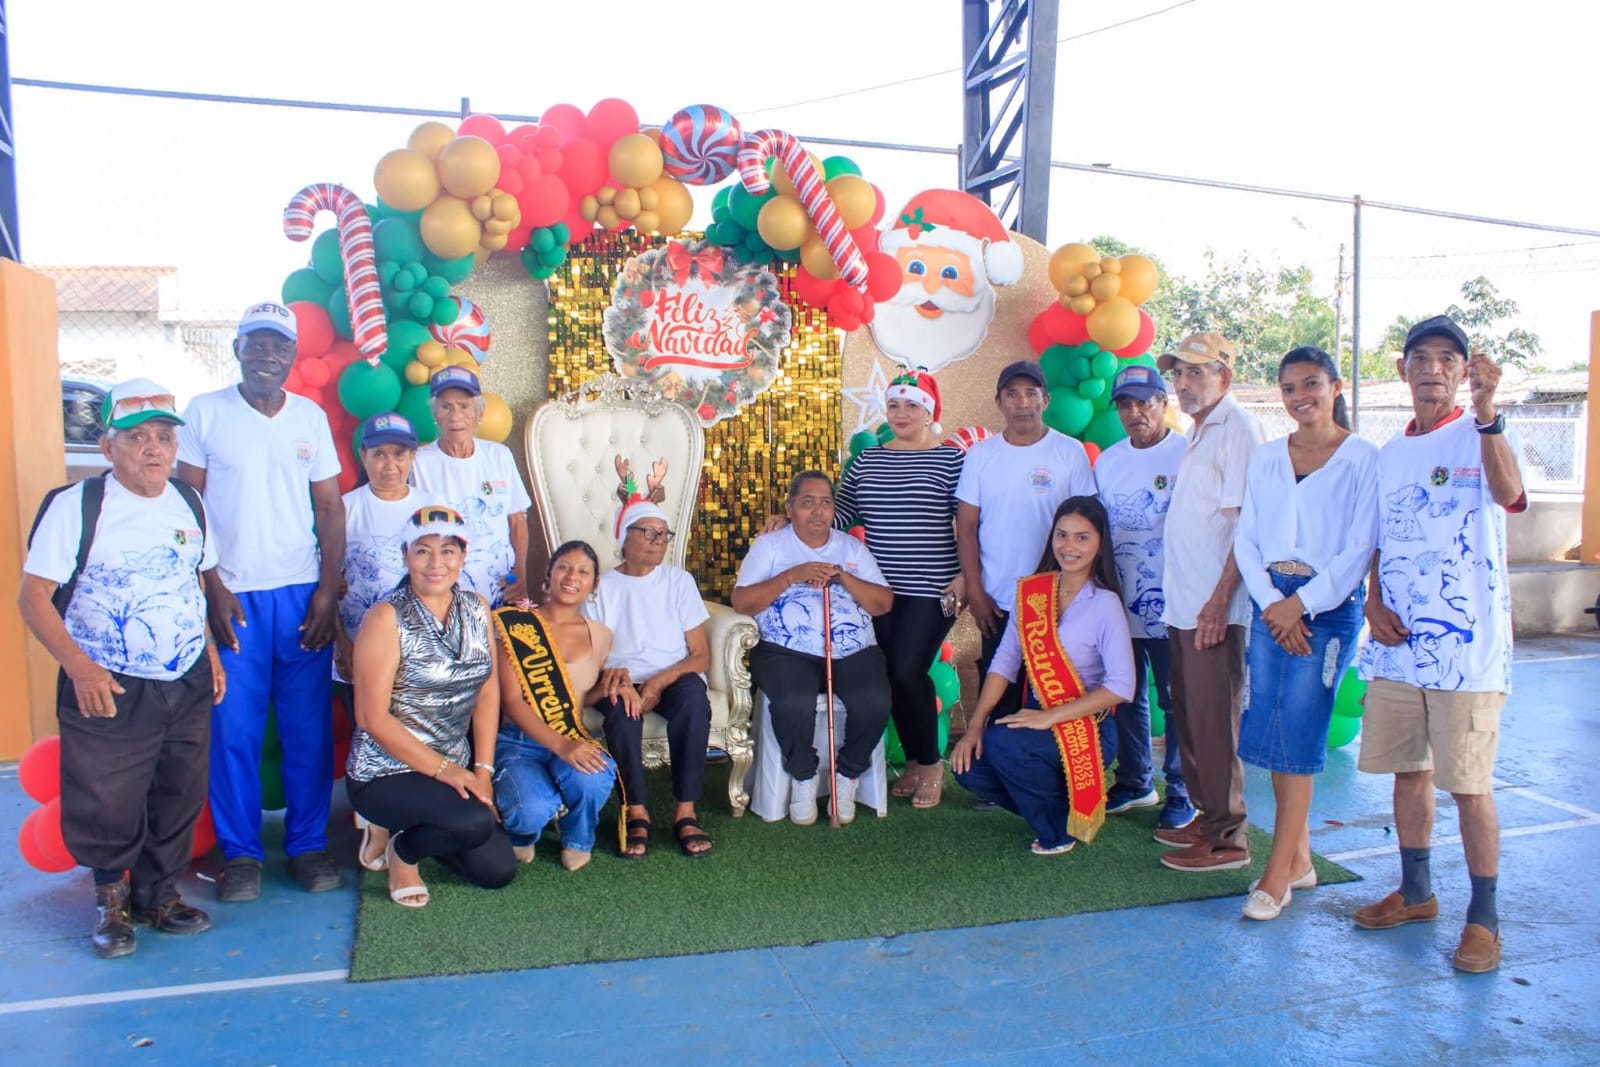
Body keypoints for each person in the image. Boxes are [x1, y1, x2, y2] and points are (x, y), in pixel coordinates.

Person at [19, 379, 226, 957]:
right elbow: (33, 597)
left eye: (163, 436)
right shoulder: (78, 506)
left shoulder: (189, 501)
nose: (153, 448)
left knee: (179, 790)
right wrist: (79, 668)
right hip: (108, 680)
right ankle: (111, 901)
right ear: (108, 446)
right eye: (136, 437)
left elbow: (193, 582)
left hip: (184, 677)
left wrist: (209, 648)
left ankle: (159, 895)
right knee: (107, 797)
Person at [1353, 315, 1525, 974]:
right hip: (1399, 647)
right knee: (1409, 772)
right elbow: (1381, 536)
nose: (1432, 369)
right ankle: (1416, 891)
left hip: (1467, 652)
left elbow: (1510, 494)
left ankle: (1484, 918)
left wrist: (1487, 414)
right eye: (1420, 357)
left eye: (1447, 359)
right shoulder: (1389, 453)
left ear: (1464, 369)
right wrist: (1372, 600)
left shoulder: (1483, 431)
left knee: (1470, 787)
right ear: (1402, 369)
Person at [177, 302, 346, 902]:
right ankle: (242, 854)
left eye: (278, 345)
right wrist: (212, 588)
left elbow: (329, 507)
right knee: (234, 732)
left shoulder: (308, 417)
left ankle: (307, 845)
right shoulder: (205, 413)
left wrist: (326, 591)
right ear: (238, 350)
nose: (267, 355)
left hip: (300, 594)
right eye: (256, 343)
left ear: (293, 354)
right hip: (233, 596)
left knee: (307, 731)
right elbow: (188, 509)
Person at [1233, 347, 1378, 920]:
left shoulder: (1363, 459)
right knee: (1275, 732)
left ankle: (1277, 874)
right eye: (1289, 387)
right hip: (1271, 602)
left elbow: (1359, 548)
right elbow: (1246, 539)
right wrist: (1275, 605)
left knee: (1299, 731)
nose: (1300, 396)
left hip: (1327, 607)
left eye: (1311, 383)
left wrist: (1302, 605)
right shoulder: (1267, 458)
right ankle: (1300, 859)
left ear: (1335, 387)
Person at [346, 505, 516, 907]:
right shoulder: (385, 617)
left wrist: (483, 771)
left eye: (448, 551)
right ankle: (403, 853)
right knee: (473, 822)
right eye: (423, 551)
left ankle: (414, 831)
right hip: (385, 770)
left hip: (452, 765)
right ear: (406, 556)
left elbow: (487, 691)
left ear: (463, 555)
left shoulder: (477, 607)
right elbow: (370, 717)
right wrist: (448, 771)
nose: (436, 563)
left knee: (497, 871)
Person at [950, 497, 1134, 855]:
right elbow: (1004, 662)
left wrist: (1050, 717)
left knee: (1004, 744)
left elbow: (1121, 686)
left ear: (1100, 544)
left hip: (1088, 725)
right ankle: (1058, 809)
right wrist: (975, 726)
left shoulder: (1104, 603)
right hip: (1037, 716)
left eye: (1082, 537)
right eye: (1062, 535)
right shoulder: (1033, 593)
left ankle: (1055, 830)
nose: (1069, 546)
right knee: (969, 767)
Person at [1154, 331, 1264, 873]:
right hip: (1185, 606)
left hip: (1213, 610)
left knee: (1215, 724)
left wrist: (1219, 603)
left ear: (1225, 377)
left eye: (1196, 371)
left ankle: (1228, 840)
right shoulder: (1199, 431)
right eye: (1178, 373)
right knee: (1192, 718)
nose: (1184, 382)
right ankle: (1207, 817)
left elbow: (1247, 529)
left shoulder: (1237, 430)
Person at [833, 370, 964, 808]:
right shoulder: (867, 462)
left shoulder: (952, 461)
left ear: (929, 413)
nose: (901, 413)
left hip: (934, 589)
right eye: (894, 405)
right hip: (879, 591)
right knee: (891, 674)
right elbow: (839, 515)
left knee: (908, 670)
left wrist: (967, 577)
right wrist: (789, 522)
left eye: (912, 405)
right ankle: (912, 761)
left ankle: (931, 764)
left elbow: (973, 526)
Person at [732, 471, 894, 825]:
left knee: (874, 701)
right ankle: (803, 777)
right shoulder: (770, 546)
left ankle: (847, 774)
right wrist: (792, 575)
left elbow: (883, 603)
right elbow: (742, 601)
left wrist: (844, 577)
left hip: (852, 649)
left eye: (826, 503)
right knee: (792, 702)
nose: (818, 511)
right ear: (790, 508)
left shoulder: (851, 548)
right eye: (807, 503)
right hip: (785, 650)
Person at [956, 360, 1095, 718]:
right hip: (998, 602)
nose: (1022, 402)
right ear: (999, 402)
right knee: (999, 700)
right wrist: (976, 593)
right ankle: (998, 753)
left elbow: (1088, 527)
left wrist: (1079, 594)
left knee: (1057, 699)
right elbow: (966, 528)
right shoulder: (981, 456)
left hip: (1059, 600)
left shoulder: (1069, 452)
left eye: (1031, 394)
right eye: (1012, 394)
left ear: (1045, 400)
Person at [1093, 364, 1195, 832]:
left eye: (1144, 402)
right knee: (1125, 692)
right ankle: (1135, 782)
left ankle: (1182, 790)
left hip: (1175, 604)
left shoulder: (1187, 454)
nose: (1135, 412)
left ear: (1163, 403)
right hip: (1119, 601)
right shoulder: (1108, 462)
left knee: (1177, 699)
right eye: (1125, 405)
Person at [588, 499, 716, 857]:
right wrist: (620, 682)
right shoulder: (601, 586)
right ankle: (636, 810)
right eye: (648, 533)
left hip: (673, 674)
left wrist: (659, 682)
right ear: (624, 538)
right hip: (618, 677)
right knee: (621, 712)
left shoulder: (678, 581)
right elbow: (591, 656)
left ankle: (685, 811)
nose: (658, 541)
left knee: (694, 702)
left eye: (663, 534)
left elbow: (700, 655)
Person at [491, 541, 618, 871]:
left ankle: (578, 835)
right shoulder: (517, 626)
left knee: (594, 778)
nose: (572, 576)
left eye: (583, 572)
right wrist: (561, 746)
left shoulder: (601, 635)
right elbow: (512, 702)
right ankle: (524, 830)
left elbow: (582, 695)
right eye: (564, 567)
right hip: (520, 742)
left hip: (571, 733)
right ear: (549, 574)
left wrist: (615, 685)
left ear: (594, 584)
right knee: (529, 810)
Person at [334, 412, 421, 872]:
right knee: (369, 733)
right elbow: (326, 583)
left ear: (412, 457)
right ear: (363, 456)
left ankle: (409, 823)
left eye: (399, 454)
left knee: (410, 733)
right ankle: (375, 823)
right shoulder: (345, 508)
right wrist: (341, 643)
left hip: (416, 650)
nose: (390, 465)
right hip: (359, 649)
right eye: (380, 454)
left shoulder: (430, 510)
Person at [410, 365, 534, 607]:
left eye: (464, 406)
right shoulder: (418, 463)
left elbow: (517, 520)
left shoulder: (499, 455)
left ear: (480, 413)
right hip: (446, 595)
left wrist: (521, 571)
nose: (455, 417)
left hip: (503, 590)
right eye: (446, 407)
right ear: (435, 413)